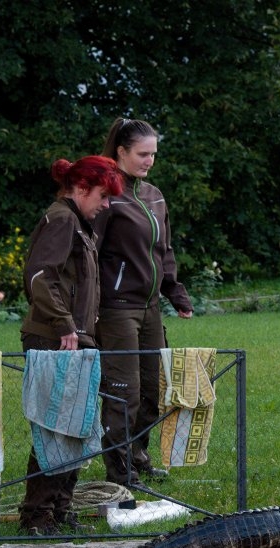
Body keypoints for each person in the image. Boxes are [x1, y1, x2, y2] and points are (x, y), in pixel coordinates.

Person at [18, 155, 124, 534]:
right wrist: (65, 323)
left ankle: (60, 510)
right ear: (81, 189)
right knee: (55, 428)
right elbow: (40, 275)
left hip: (75, 337)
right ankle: (37, 516)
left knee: (75, 426)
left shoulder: (77, 222)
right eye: (102, 195)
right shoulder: (62, 219)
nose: (106, 204)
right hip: (54, 337)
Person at [94, 117, 194, 487]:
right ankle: (120, 473)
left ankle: (138, 456)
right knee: (125, 393)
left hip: (150, 308)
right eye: (142, 153)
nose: (149, 160)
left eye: (153, 153)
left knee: (152, 389)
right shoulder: (105, 196)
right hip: (116, 308)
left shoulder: (154, 195)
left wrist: (175, 292)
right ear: (121, 152)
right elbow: (90, 253)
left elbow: (163, 250)